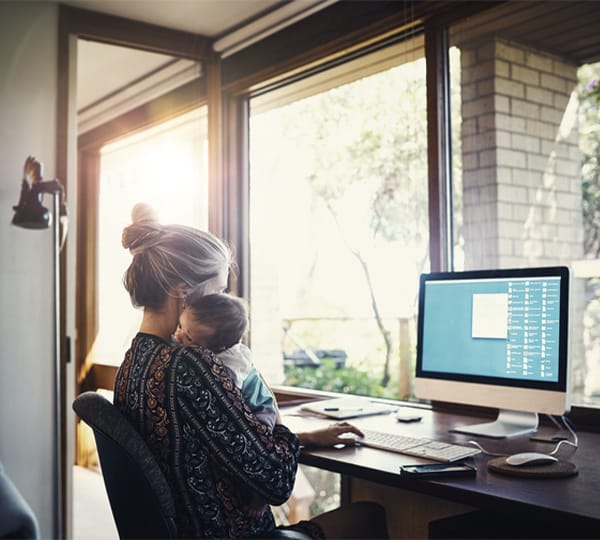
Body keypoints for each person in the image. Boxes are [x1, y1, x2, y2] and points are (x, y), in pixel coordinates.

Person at [115, 202, 389, 539]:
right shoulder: (190, 366)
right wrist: (284, 431)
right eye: (217, 291)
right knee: (368, 516)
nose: (222, 303)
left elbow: (206, 446)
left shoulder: (133, 362)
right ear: (181, 292)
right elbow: (276, 483)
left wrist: (303, 439)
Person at [173, 292, 277, 430]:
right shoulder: (205, 347)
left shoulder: (231, 365)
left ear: (216, 348)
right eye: (180, 326)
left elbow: (226, 393)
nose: (178, 336)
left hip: (261, 411)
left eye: (189, 338)